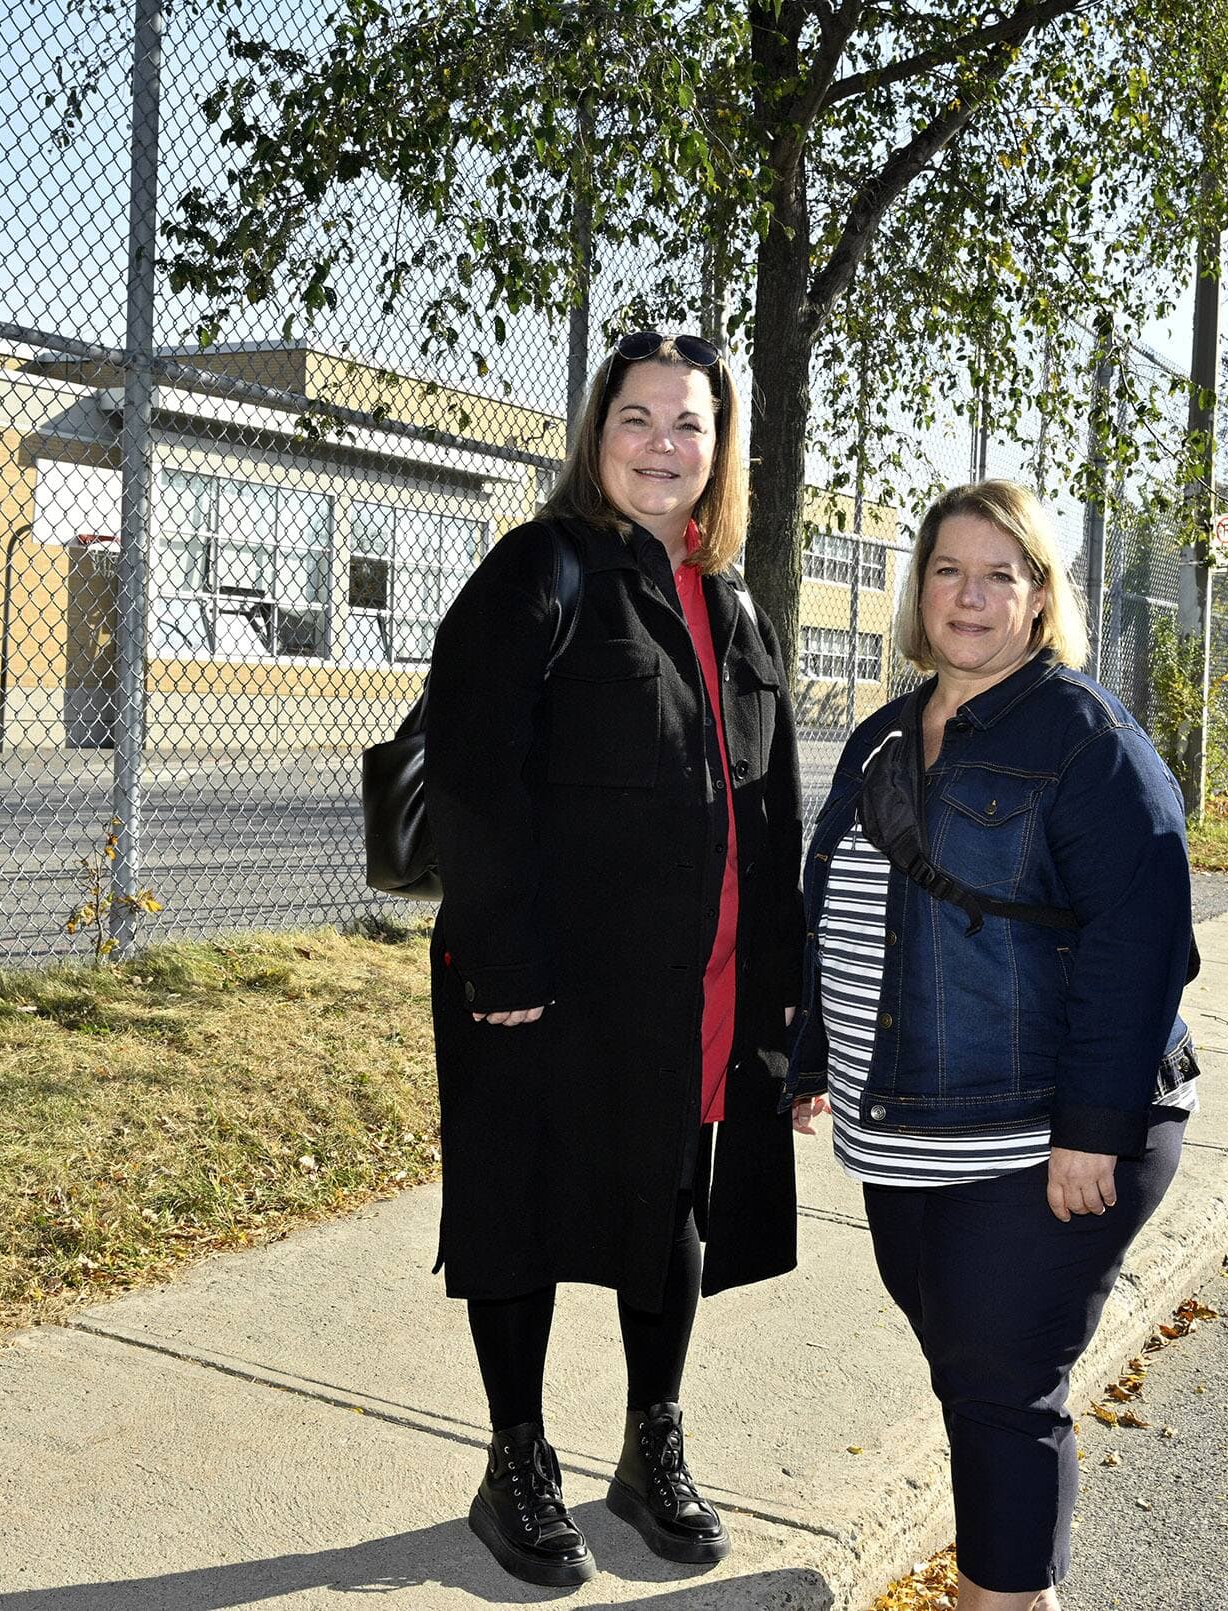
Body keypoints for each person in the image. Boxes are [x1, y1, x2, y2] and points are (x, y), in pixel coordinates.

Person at [421, 331, 805, 1587]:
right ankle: (515, 1459)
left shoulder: (733, 599)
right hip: (542, 977)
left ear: (718, 448)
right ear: (596, 435)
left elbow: (770, 808)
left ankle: (652, 1443)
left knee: (668, 1207)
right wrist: (502, 959)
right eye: (636, 419)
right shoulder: (543, 569)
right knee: (520, 1209)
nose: (661, 446)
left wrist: (777, 1002)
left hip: (689, 981)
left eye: (686, 424)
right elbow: (474, 773)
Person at [781, 481, 1199, 1611]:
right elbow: (841, 902)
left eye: (998, 574)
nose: (969, 596)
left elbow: (1142, 944)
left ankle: (1001, 1600)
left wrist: (1092, 1130)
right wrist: (813, 1056)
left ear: (1037, 595)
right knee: (969, 1374)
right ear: (918, 590)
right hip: (908, 1126)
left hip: (1038, 1137)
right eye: (948, 571)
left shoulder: (1083, 736)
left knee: (1004, 1385)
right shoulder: (884, 730)